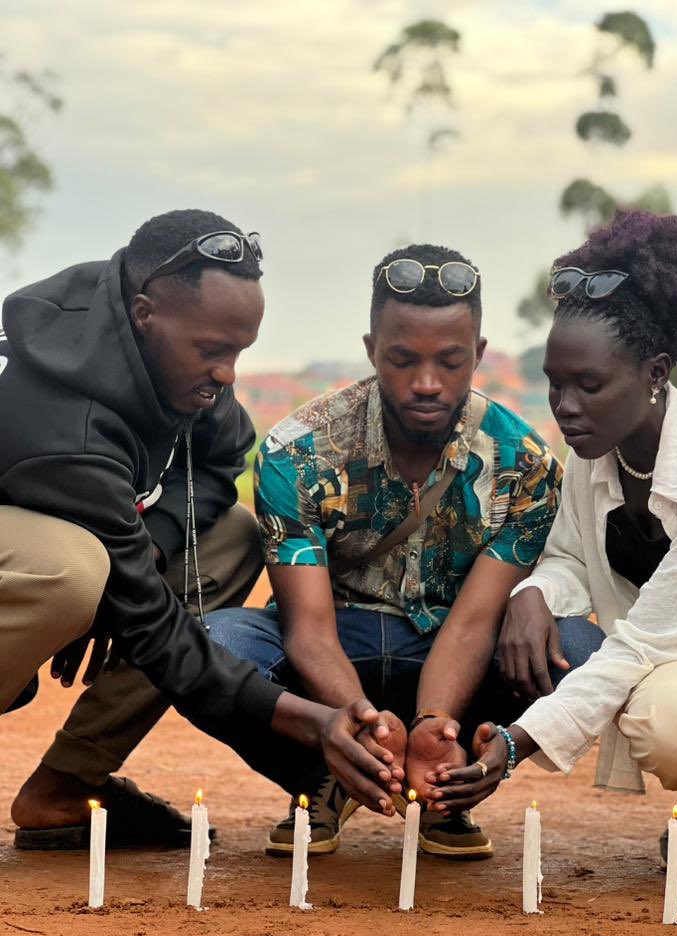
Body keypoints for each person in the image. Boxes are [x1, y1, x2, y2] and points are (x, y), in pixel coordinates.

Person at [427, 211, 677, 894]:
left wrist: (517, 743)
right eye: (555, 383)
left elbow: (640, 640)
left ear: (655, 372)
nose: (565, 407)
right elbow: (572, 555)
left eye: (589, 385)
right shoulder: (596, 456)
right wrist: (534, 593)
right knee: (660, 718)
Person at [0, 209, 403, 850]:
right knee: (72, 568)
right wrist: (306, 721)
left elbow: (221, 462)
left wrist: (147, 549)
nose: (228, 373)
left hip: (76, 539)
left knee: (233, 537)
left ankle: (66, 786)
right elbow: (158, 634)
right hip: (27, 562)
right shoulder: (64, 421)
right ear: (143, 314)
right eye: (212, 351)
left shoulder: (177, 371)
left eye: (238, 351)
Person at [206, 243, 564, 858]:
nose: (427, 382)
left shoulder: (525, 464)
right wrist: (357, 726)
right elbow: (309, 629)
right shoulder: (298, 451)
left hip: (453, 651)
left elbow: (477, 622)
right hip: (336, 646)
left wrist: (431, 727)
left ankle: (447, 781)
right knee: (210, 647)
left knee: (573, 651)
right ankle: (322, 774)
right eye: (402, 360)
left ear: (477, 356)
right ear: (372, 350)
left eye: (451, 362)